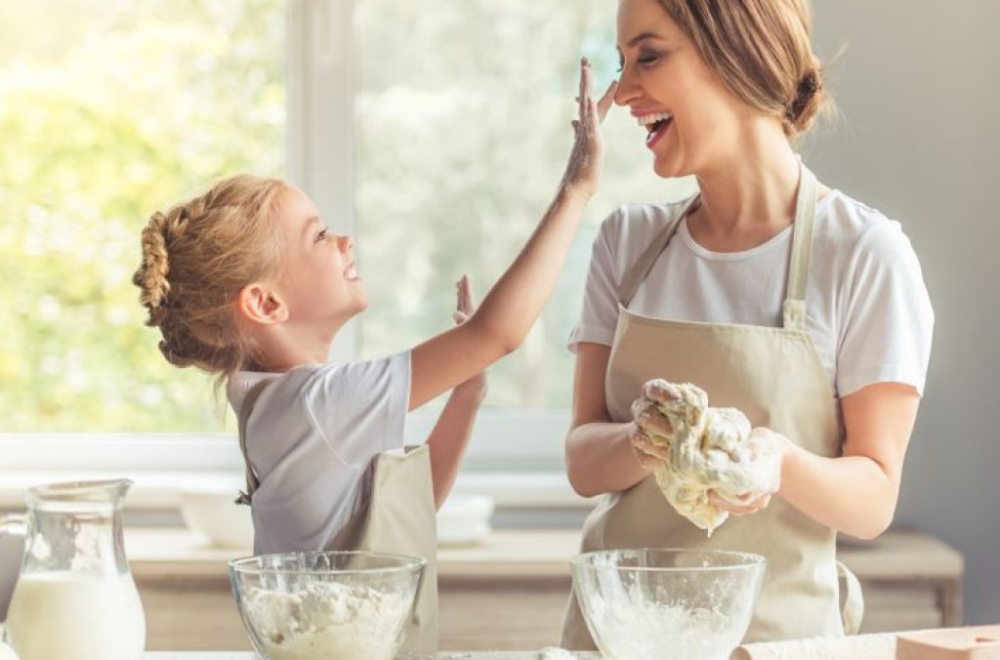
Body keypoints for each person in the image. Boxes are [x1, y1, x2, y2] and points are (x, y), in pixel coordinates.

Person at [133, 59, 616, 653]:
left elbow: (408, 512)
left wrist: (467, 393)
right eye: (316, 235)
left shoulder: (281, 405)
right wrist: (576, 189)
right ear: (265, 302)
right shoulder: (317, 404)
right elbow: (499, 332)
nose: (344, 241)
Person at [561, 0, 933, 648]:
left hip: (776, 643)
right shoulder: (627, 243)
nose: (623, 94)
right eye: (622, 65)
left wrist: (776, 460)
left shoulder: (863, 254)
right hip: (619, 641)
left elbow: (873, 493)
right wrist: (648, 441)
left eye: (648, 56)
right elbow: (583, 463)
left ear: (737, 51)